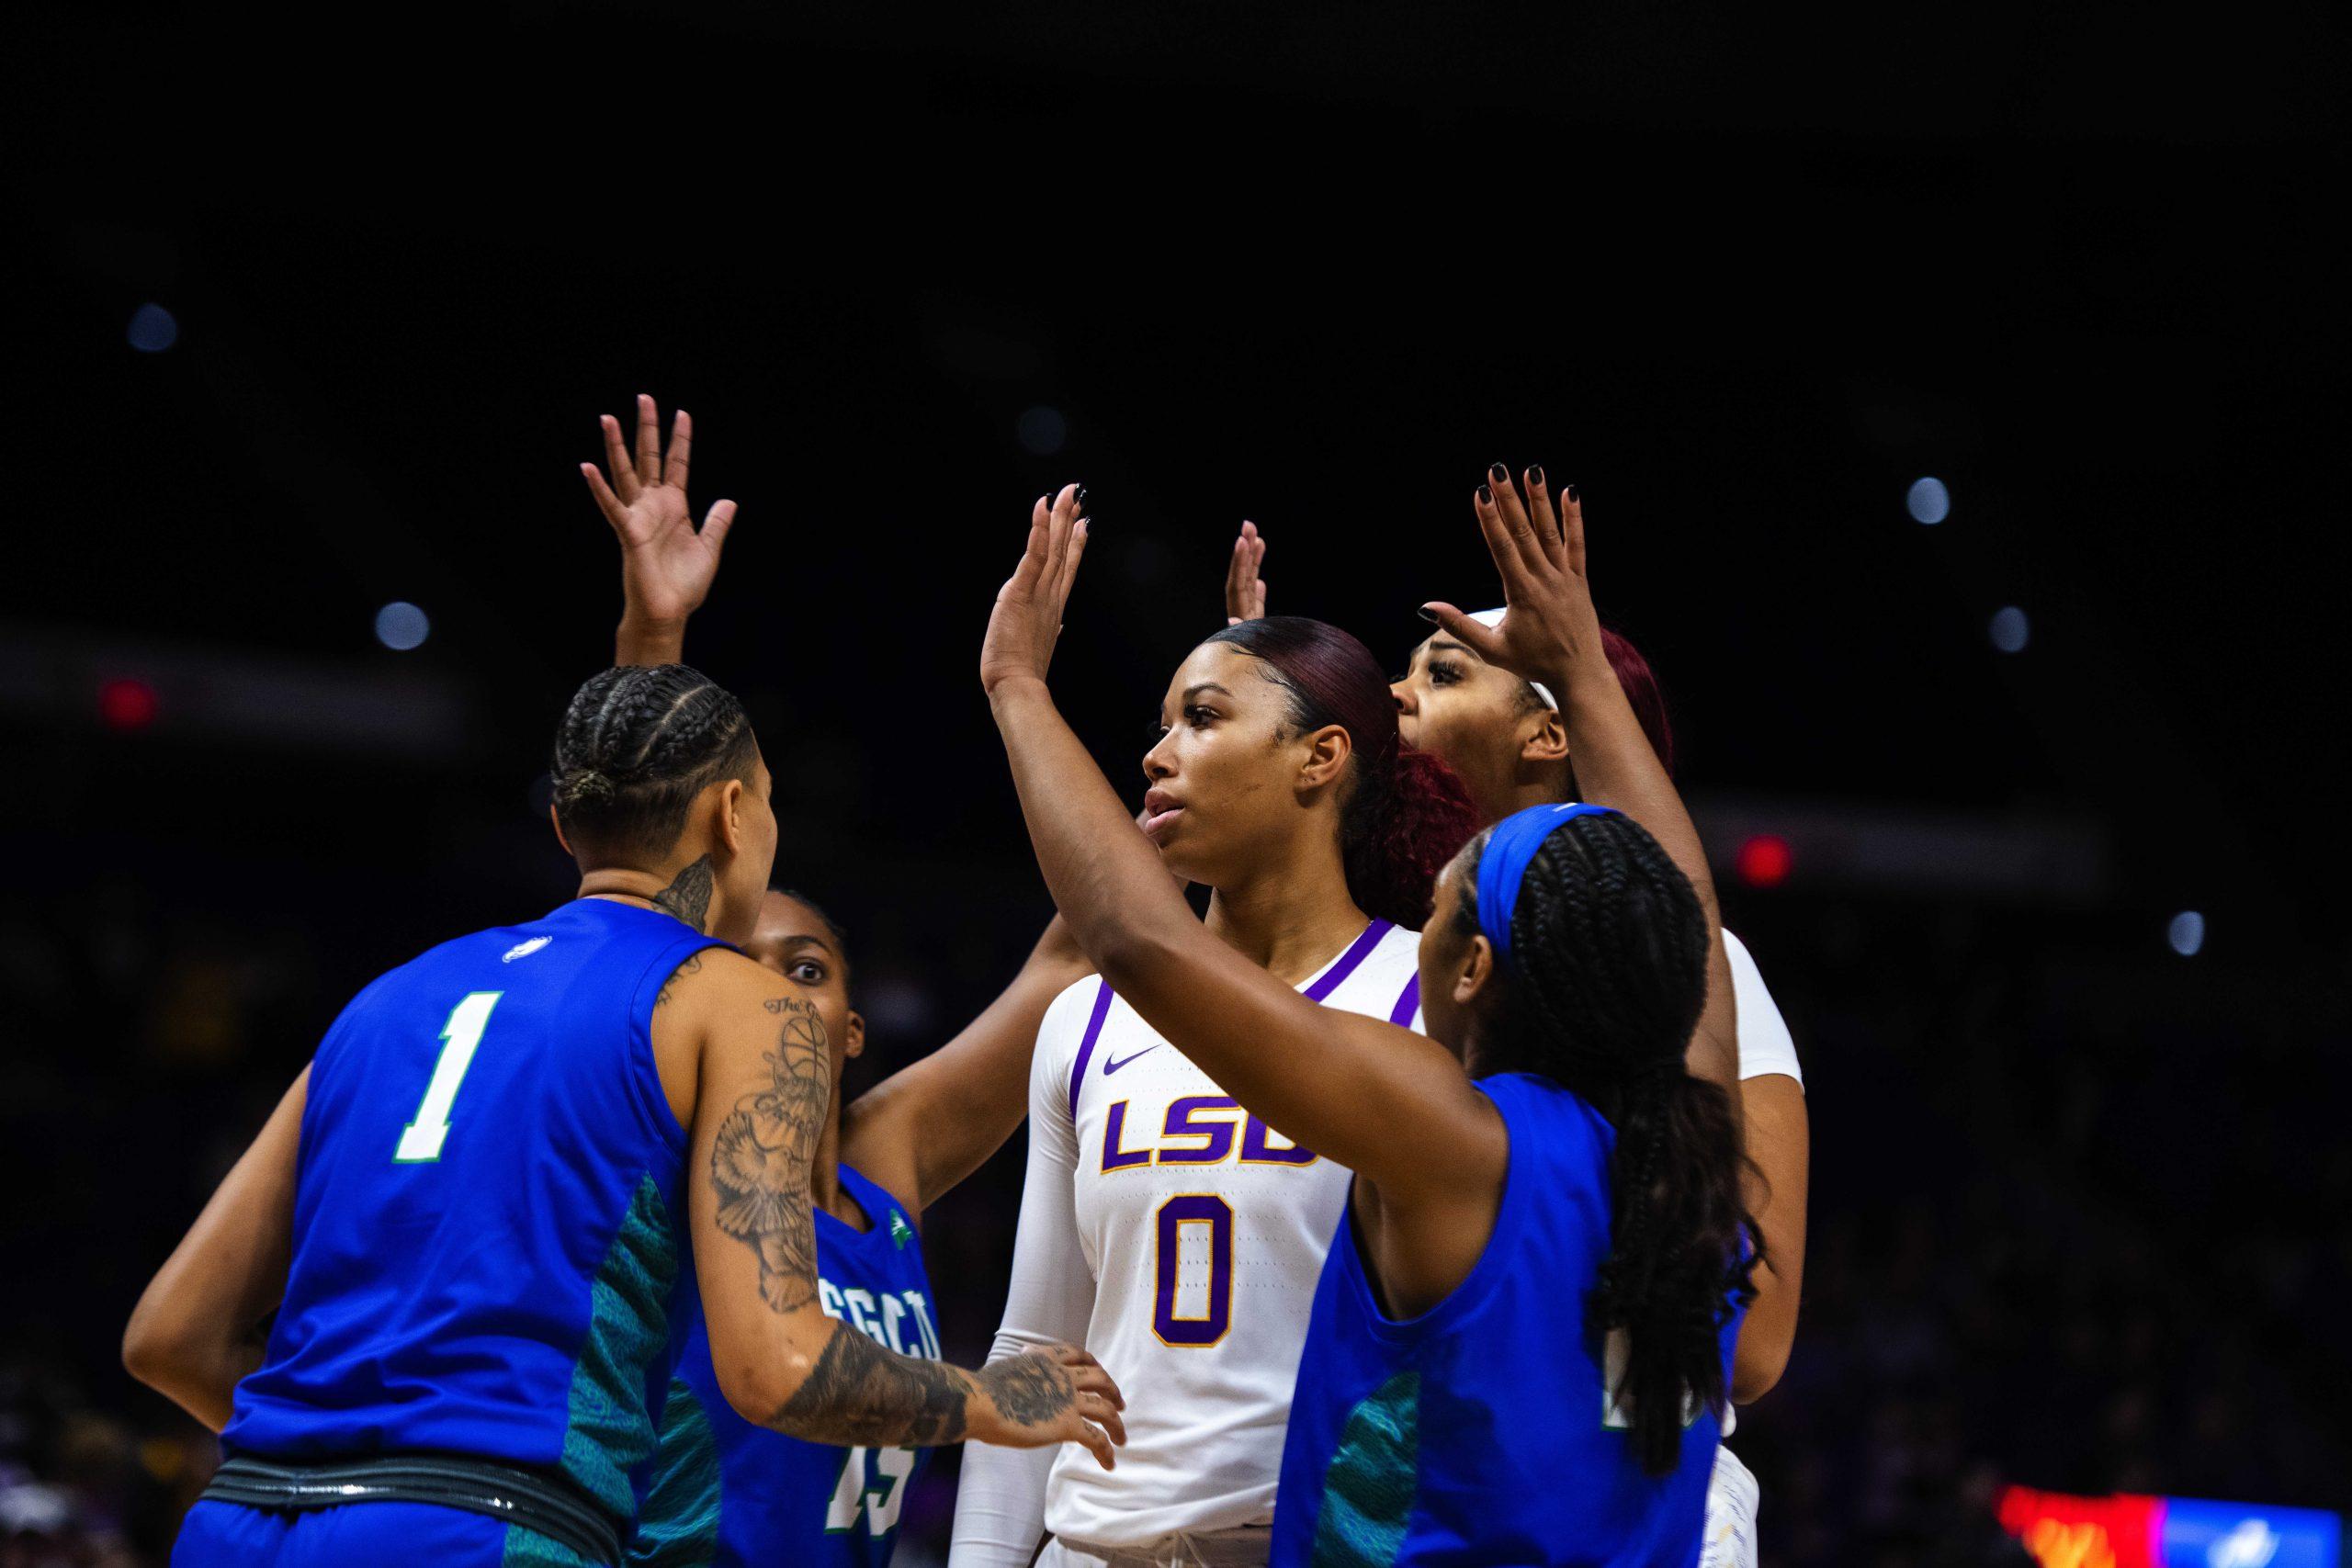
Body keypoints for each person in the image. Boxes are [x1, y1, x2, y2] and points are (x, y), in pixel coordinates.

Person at [123, 655, 1124, 1568]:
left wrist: (341, 1463)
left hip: (242, 1519)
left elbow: (170, 1337)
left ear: (566, 830)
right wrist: (994, 1397)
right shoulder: (735, 1000)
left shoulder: (390, 995)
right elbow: (776, 1367)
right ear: (735, 813)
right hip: (487, 1527)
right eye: (770, 806)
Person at [984, 478, 1757, 1563]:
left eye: (1438, 905)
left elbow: (1143, 945)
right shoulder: (1694, 1149)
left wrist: (1016, 683)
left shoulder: (1451, 1139)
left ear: (1476, 967)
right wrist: (1580, 674)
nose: (1416, 897)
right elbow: (1689, 927)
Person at [1234, 499, 1807, 1566]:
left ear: (1549, 732)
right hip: (1433, 1475)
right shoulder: (1405, 948)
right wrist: (1248, 737)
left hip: (1623, 1493)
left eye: (1444, 674)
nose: (1396, 695)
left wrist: (1580, 666)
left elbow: (1757, 1340)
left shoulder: (1699, 967)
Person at [578, 396, 1097, 1566]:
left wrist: (1212, 785)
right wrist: (650, 636)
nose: (767, 993)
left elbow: (1085, 942)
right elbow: (644, 848)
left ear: (854, 1028)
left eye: (803, 972)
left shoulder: (884, 1159)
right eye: (735, 967)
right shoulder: (657, 1162)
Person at [949, 491, 1482, 1568]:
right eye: (1161, 724)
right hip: (1092, 1547)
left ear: (1320, 757)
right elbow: (1035, 1349)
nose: (1156, 753)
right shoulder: (1084, 1021)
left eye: (1199, 718)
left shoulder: (1421, 1002)